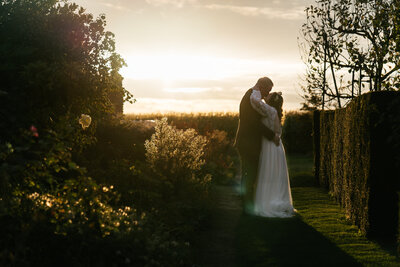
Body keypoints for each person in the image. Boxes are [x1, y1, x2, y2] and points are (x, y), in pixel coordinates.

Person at [234, 77, 280, 214]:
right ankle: (247, 207)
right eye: (268, 90)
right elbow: (254, 123)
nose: (267, 94)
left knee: (249, 174)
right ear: (261, 86)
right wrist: (272, 135)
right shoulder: (251, 97)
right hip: (248, 143)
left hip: (248, 142)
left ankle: (247, 205)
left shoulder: (252, 96)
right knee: (250, 174)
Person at [253, 91, 296, 217]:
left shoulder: (269, 110)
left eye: (268, 95)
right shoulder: (274, 111)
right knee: (275, 174)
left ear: (271, 101)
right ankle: (276, 198)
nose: (265, 95)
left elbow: (255, 101)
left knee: (268, 173)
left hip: (270, 145)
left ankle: (268, 201)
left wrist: (256, 92)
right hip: (276, 146)